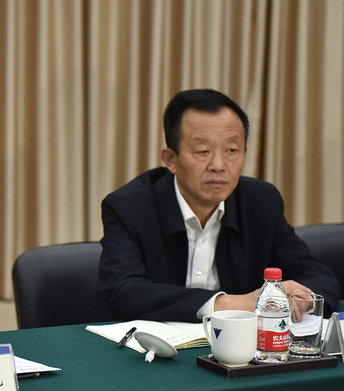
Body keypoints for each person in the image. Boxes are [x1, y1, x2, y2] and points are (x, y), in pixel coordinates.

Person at [97, 89, 340, 322]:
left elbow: (317, 275)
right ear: (171, 159)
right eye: (203, 151)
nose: (219, 165)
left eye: (231, 150)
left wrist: (302, 300)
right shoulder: (129, 207)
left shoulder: (261, 203)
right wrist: (232, 304)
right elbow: (121, 292)